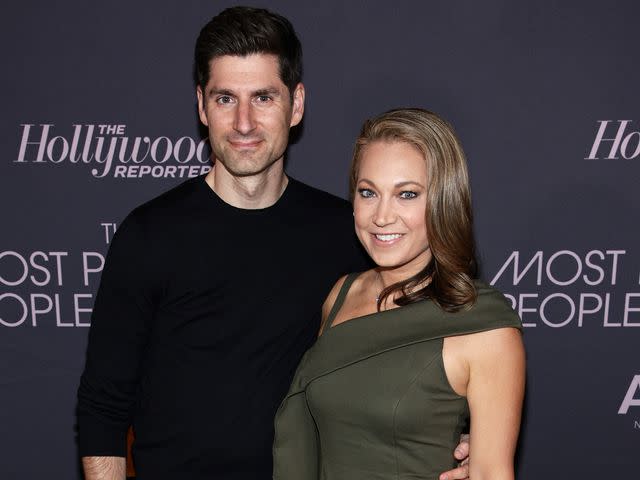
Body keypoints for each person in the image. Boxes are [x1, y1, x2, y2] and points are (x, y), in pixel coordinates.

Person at [76, 7, 471, 480]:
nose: (244, 122)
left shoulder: (349, 233)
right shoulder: (148, 235)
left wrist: (463, 437)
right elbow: (104, 405)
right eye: (226, 98)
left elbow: (430, 347)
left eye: (263, 97)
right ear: (202, 106)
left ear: (296, 103)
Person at [273, 108, 525, 480]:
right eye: (368, 192)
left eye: (407, 194)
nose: (382, 216)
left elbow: (491, 473)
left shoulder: (484, 330)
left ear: (443, 199)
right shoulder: (341, 294)